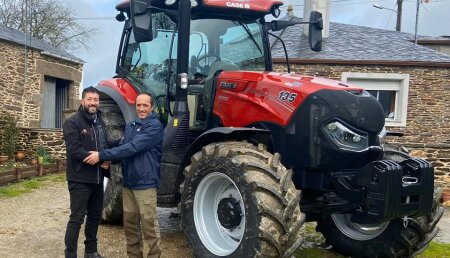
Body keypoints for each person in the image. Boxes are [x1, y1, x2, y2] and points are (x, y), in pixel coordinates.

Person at [84, 92, 164, 258]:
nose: (141, 109)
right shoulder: (131, 125)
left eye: (145, 105)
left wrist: (102, 155)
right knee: (130, 226)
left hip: (145, 184)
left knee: (149, 226)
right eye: (139, 105)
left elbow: (133, 148)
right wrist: (110, 161)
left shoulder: (155, 127)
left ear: (152, 107)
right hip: (129, 183)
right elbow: (124, 148)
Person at [63, 86, 112, 258]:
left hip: (97, 179)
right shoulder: (72, 122)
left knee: (94, 216)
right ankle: (70, 254)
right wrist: (100, 159)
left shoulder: (100, 123)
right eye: (90, 99)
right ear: (83, 101)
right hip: (79, 179)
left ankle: (91, 251)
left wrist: (107, 157)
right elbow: (75, 150)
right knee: (77, 219)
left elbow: (104, 147)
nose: (93, 103)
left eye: (96, 100)